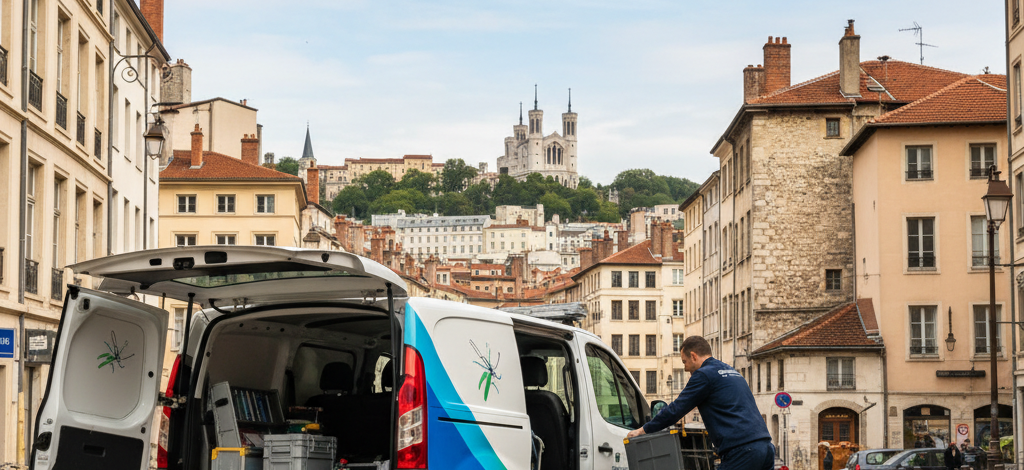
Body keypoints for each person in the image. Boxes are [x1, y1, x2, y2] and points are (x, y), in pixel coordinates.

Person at [625, 336, 773, 470]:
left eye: (685, 362)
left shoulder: (704, 374)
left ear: (693, 356)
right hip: (766, 448)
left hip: (742, 450)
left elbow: (676, 409)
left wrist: (643, 430)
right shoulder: (731, 371)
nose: (685, 368)